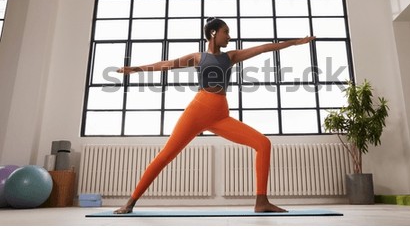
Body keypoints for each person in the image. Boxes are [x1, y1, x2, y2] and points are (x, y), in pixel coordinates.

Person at [114, 17, 316, 214]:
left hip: (220, 114)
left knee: (263, 144)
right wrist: (134, 69)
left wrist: (294, 43)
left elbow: (263, 48)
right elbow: (165, 64)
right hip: (198, 110)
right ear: (213, 33)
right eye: (225, 32)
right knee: (166, 155)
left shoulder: (231, 56)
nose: (229, 36)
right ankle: (130, 202)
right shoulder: (198, 57)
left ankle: (261, 201)